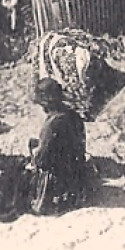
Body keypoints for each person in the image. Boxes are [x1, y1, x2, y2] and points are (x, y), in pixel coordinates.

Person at [30, 77, 90, 215]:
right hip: (77, 176)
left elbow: (41, 160)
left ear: (46, 103)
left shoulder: (53, 123)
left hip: (58, 182)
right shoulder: (74, 116)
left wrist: (34, 153)